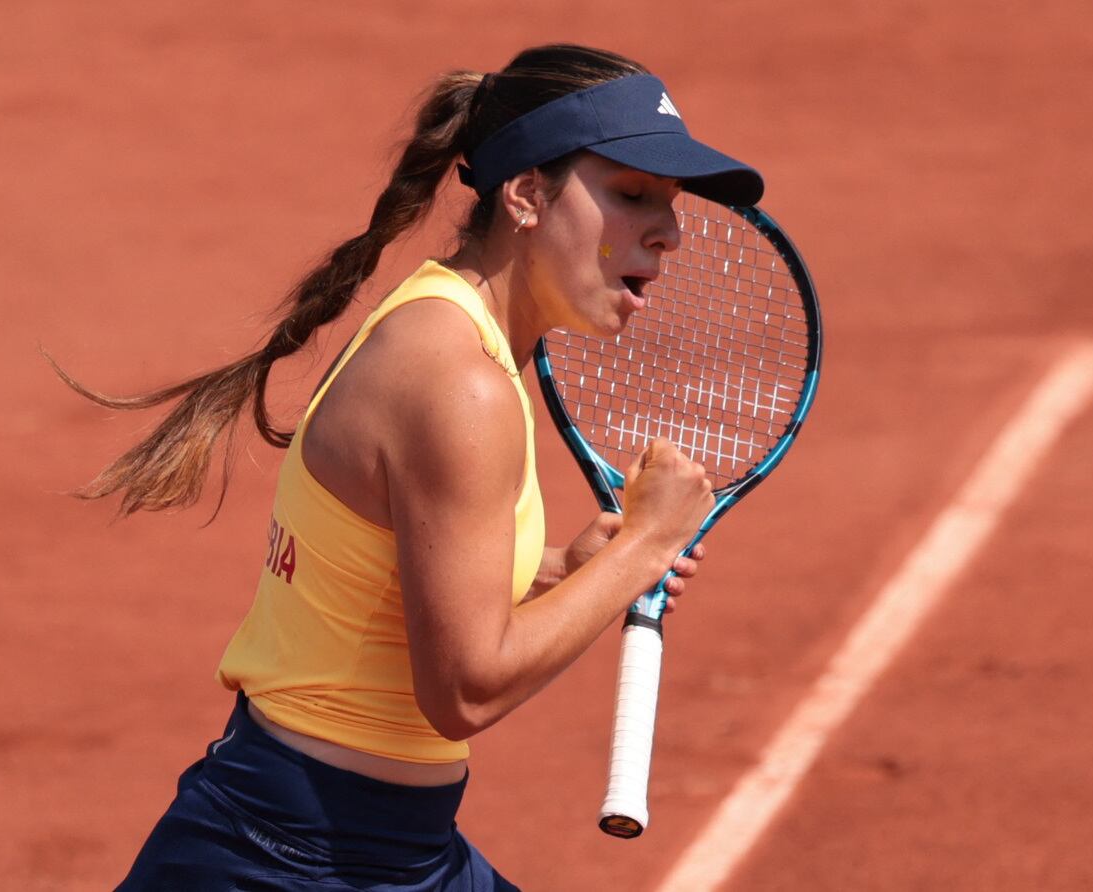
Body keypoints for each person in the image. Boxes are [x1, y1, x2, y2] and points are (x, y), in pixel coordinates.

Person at [61, 43, 765, 890]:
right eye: (631, 194)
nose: (671, 231)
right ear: (527, 194)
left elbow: (388, 575)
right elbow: (464, 692)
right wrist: (642, 551)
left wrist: (561, 574)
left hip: (382, 846)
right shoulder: (458, 383)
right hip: (290, 861)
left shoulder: (450, 329)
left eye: (672, 203)